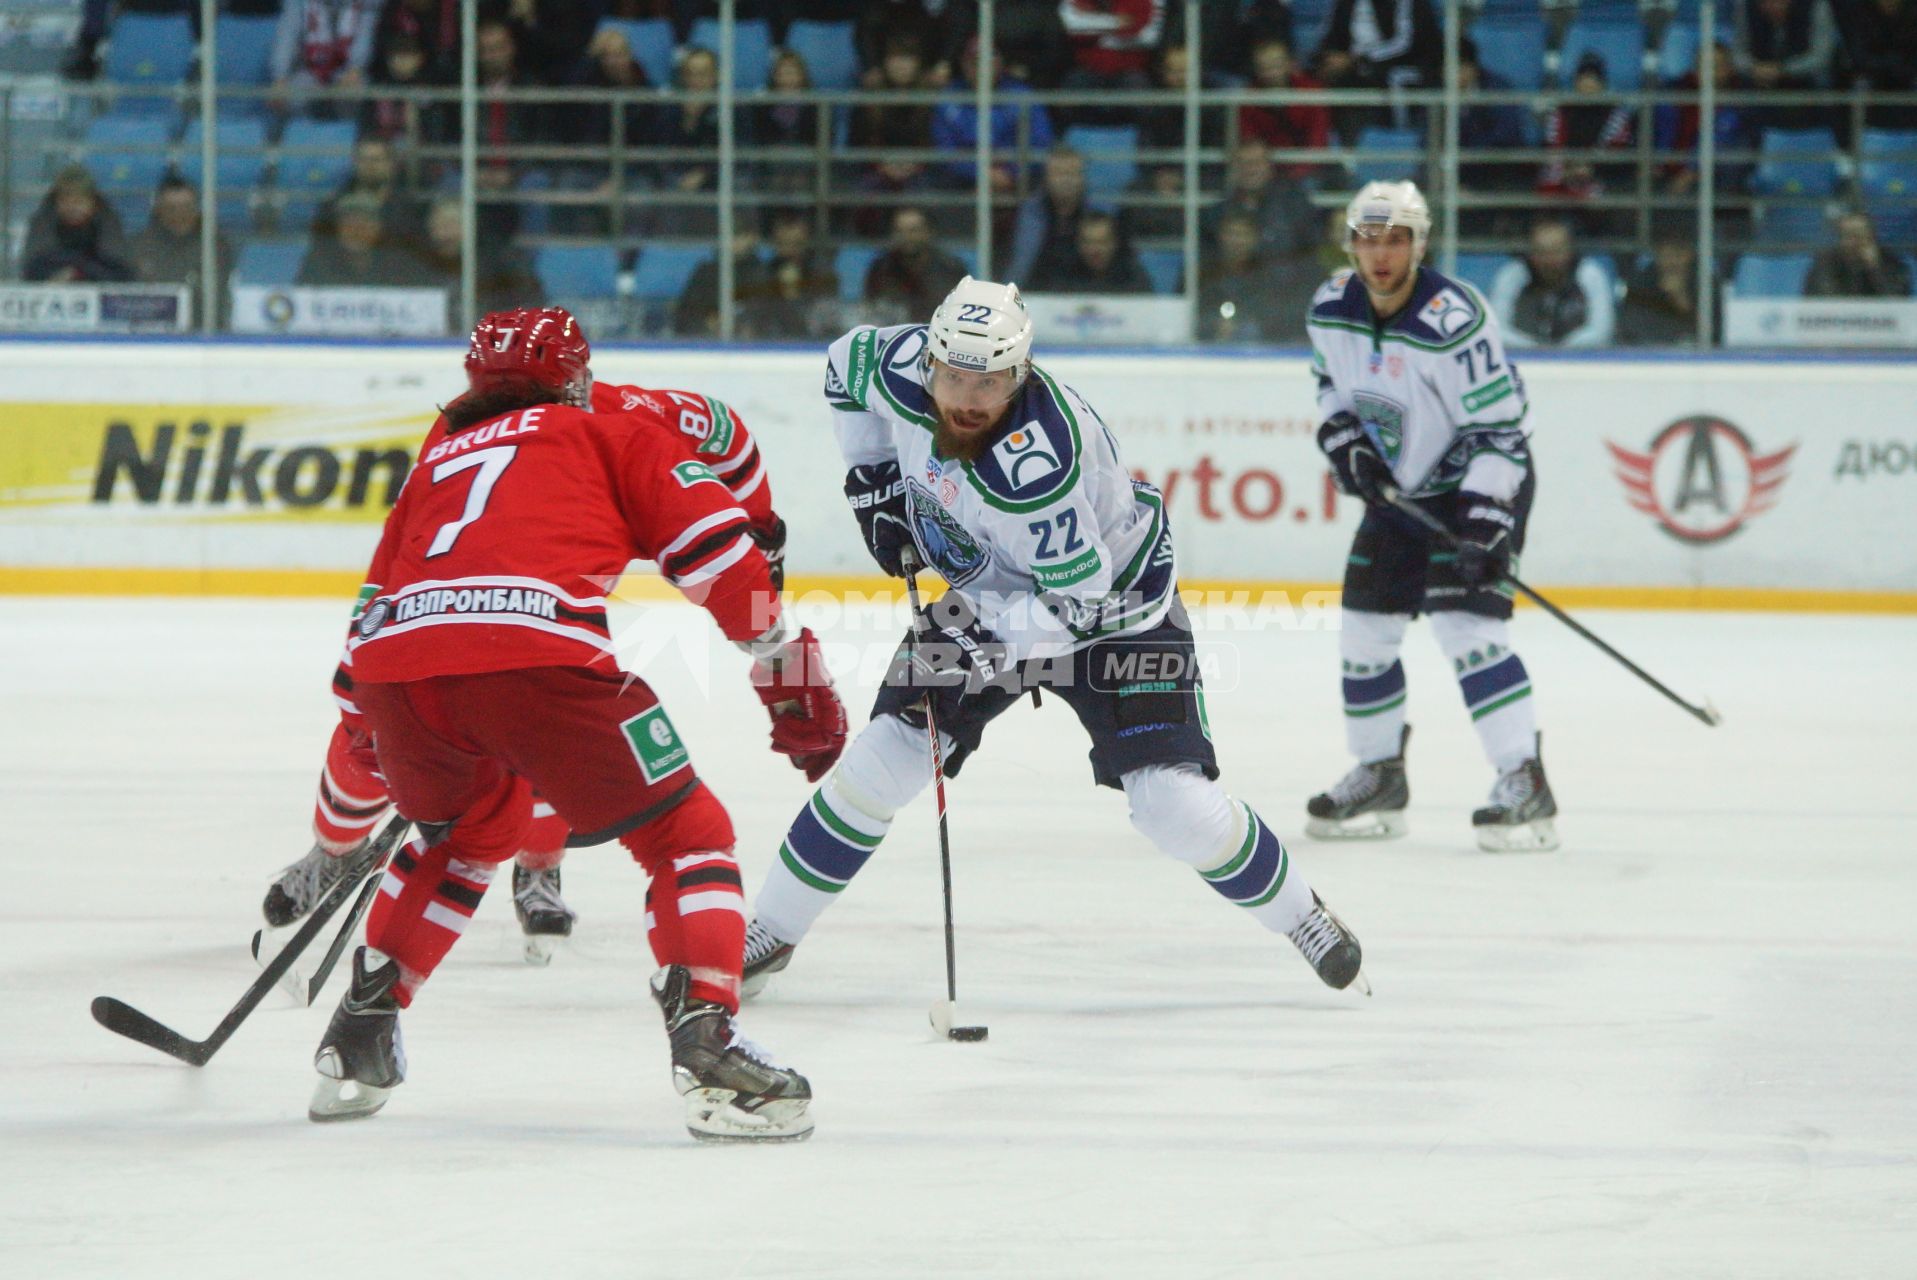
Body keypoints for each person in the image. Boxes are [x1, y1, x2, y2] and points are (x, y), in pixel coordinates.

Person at [738, 277, 1367, 1001]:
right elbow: (842, 366)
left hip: (1116, 618)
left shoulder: (1035, 469)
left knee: (1172, 806)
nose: (967, 397)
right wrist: (872, 480)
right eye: (952, 377)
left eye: (991, 381)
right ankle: (773, 930)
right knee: (884, 761)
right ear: (928, 362)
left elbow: (1075, 604)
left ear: (1022, 373)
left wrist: (990, 648)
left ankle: (1301, 917)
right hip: (989, 597)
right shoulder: (899, 365)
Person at [306, 308, 843, 1139]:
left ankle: (359, 1035)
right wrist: (789, 670)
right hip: (535, 656)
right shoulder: (614, 428)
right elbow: (720, 558)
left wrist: (364, 721)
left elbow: (375, 600)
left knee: (458, 835)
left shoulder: (438, 454)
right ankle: (707, 1043)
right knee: (687, 833)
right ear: (576, 374)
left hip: (398, 670)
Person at [263, 359, 791, 964]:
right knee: (389, 749)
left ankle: (535, 870)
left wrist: (761, 529)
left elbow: (728, 443)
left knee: (530, 741)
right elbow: (400, 544)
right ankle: (330, 854)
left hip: (548, 601)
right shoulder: (464, 425)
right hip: (467, 612)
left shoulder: (636, 419)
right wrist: (783, 650)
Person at [1304, 180, 1558, 853]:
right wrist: (1347, 446)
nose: (1380, 253)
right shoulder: (1330, 306)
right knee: (1363, 633)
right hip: (1400, 494)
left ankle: (1522, 778)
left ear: (1420, 243)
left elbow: (1501, 434)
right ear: (1349, 242)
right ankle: (1379, 773)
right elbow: (1330, 387)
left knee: (1467, 630)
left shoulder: (1456, 318)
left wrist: (1483, 523)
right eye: (1368, 238)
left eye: (1396, 239)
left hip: (1477, 485)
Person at [1487, 217, 1617, 349]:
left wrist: (1560, 351)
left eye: (1556, 251)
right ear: (1531, 254)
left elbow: (1601, 331)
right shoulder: (1512, 275)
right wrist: (1534, 348)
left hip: (1579, 360)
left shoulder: (1590, 274)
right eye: (1542, 252)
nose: (1549, 260)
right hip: (1524, 359)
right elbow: (1496, 330)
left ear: (1570, 251)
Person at [129, 173, 231, 326]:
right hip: (150, 339)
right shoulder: (137, 247)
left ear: (196, 208)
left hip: (203, 338)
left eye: (186, 207)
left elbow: (219, 299)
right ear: (158, 208)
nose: (179, 214)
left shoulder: (215, 247)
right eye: (171, 208)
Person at [1007, 147, 1112, 283]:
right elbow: (1021, 264)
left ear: (1083, 178)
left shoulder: (1099, 213)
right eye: (1058, 173)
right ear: (1046, 178)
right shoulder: (1031, 213)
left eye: (1072, 174)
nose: (1065, 180)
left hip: (1089, 290)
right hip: (1038, 290)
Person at [22, 165, 133, 284]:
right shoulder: (43, 224)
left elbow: (122, 273)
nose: (72, 207)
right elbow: (30, 270)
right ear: (56, 202)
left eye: (79, 201)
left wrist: (79, 273)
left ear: (93, 203)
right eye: (65, 200)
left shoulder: (109, 226)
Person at [863, 205, 970, 324]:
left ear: (928, 232)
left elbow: (962, 311)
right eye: (900, 231)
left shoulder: (951, 268)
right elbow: (871, 310)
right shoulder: (881, 268)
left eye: (913, 230)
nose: (906, 237)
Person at [1027, 210, 1154, 293]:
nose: (1095, 250)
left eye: (1102, 242)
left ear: (1115, 243)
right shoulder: (1062, 273)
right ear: (1078, 244)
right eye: (1088, 242)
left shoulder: (1132, 274)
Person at [1805, 210, 1914, 295]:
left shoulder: (1893, 262)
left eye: (1860, 235)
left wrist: (1875, 268)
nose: (1855, 242)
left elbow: (1898, 303)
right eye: (1848, 235)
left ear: (1871, 237)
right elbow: (1821, 300)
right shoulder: (1825, 262)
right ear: (1840, 238)